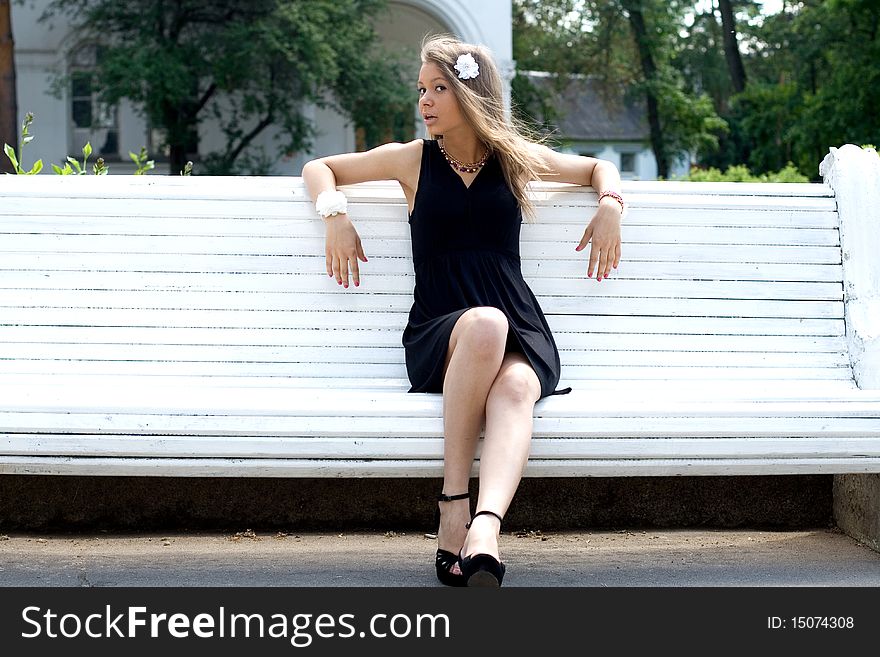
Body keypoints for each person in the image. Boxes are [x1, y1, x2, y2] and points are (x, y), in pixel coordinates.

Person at [301, 34, 623, 587]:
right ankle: (454, 502)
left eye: (438, 89)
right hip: (440, 329)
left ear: (471, 93)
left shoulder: (515, 159)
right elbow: (320, 167)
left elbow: (597, 167)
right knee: (483, 324)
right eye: (421, 89)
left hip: (517, 322)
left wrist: (611, 206)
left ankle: (485, 530)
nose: (424, 101)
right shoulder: (413, 159)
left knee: (520, 386)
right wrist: (335, 216)